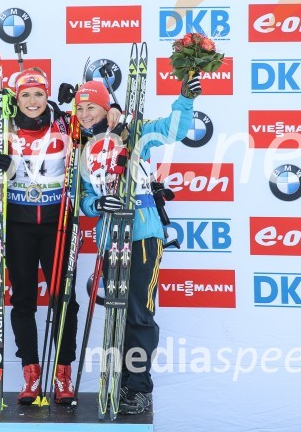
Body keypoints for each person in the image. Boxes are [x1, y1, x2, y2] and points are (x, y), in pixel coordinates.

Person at [0, 68, 120, 405]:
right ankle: (31, 373)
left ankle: (63, 374)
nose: (32, 101)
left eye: (38, 94)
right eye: (25, 95)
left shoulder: (65, 124)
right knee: (23, 300)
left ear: (47, 97)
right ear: (16, 99)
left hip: (59, 224)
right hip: (18, 227)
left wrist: (116, 111)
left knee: (64, 301)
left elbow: (98, 124)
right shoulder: (1, 127)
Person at [77, 73, 202, 415]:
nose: (86, 113)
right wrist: (96, 205)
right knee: (116, 314)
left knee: (138, 314)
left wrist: (185, 99)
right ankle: (117, 380)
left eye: (92, 107)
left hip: (143, 235)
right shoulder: (84, 150)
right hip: (110, 238)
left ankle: (138, 387)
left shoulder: (134, 134)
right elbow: (85, 198)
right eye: (80, 108)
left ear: (106, 108)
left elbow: (172, 129)